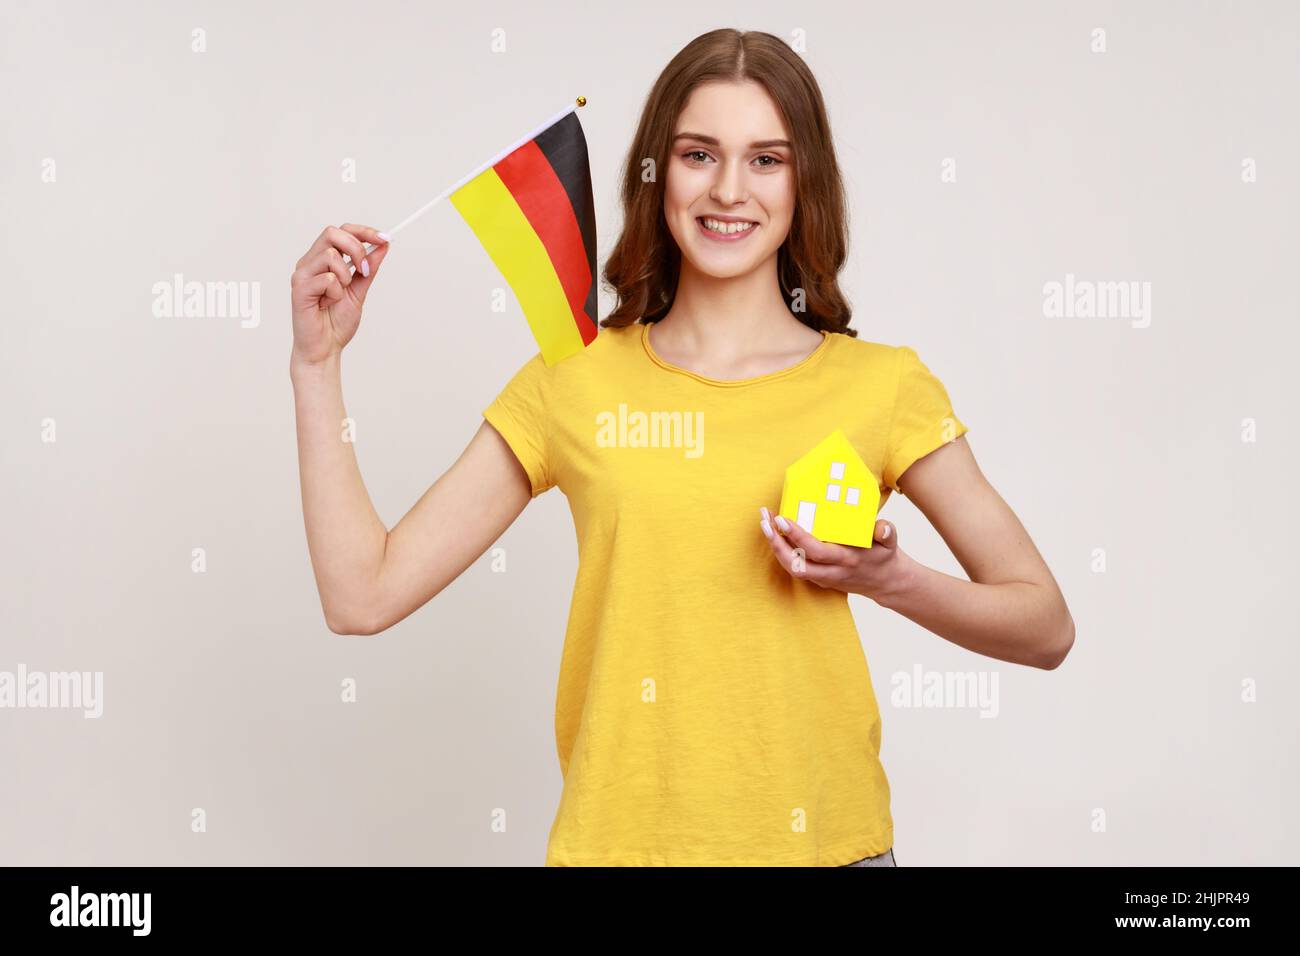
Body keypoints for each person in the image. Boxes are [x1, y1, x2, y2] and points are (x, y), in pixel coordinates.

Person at [287, 28, 1075, 867]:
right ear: (656, 174)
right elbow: (361, 596)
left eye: (766, 159)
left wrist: (890, 579)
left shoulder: (882, 386)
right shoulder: (575, 379)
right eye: (699, 154)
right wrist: (315, 364)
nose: (729, 189)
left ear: (805, 180)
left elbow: (1045, 626)